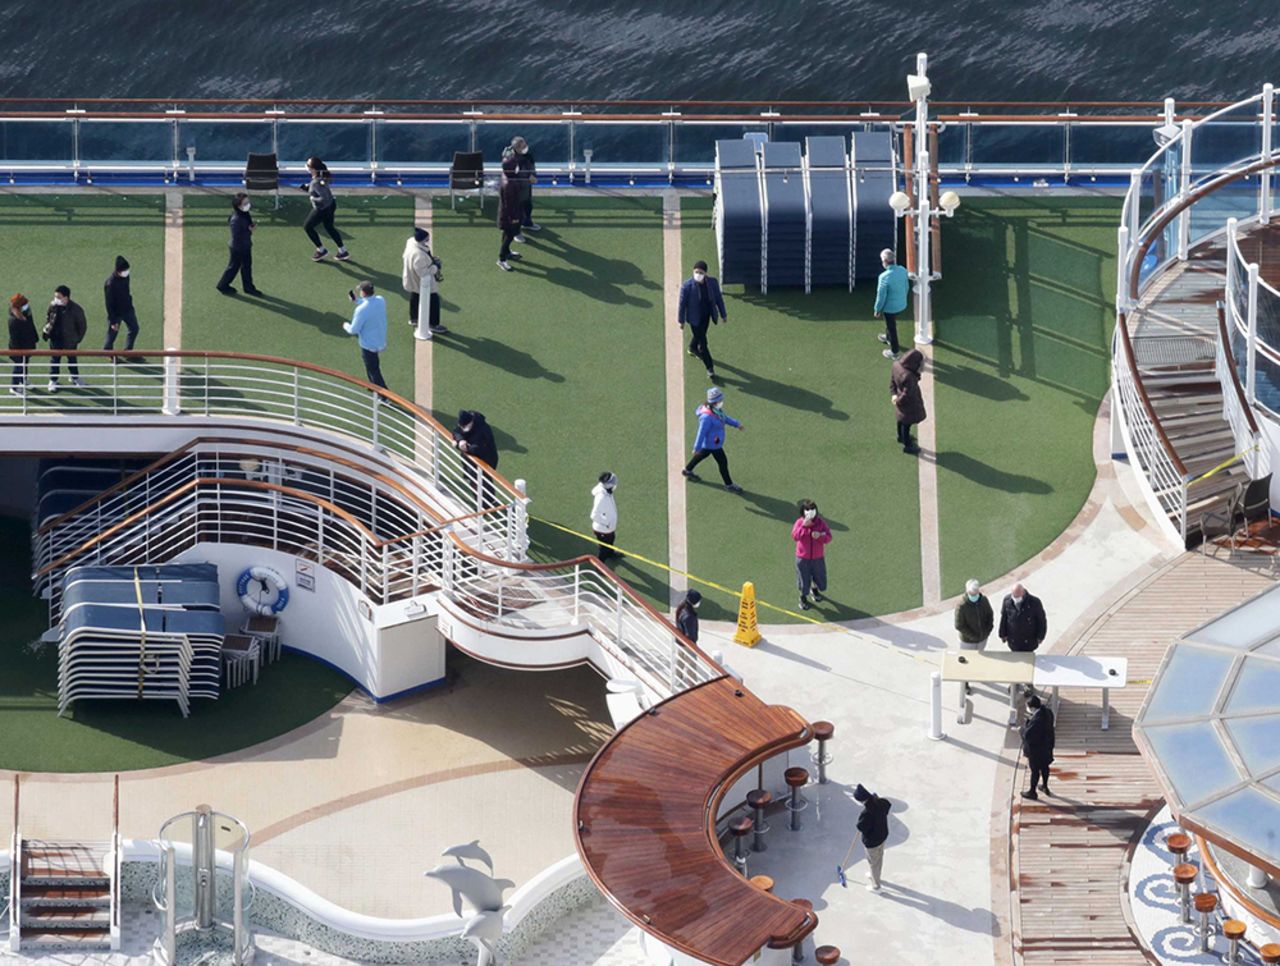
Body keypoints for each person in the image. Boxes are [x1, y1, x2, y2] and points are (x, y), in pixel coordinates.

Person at [682, 386, 744, 493]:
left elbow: (725, 418)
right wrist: (696, 447)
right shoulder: (706, 418)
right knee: (723, 463)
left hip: (712, 444)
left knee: (701, 455)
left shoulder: (717, 411)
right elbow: (701, 433)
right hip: (713, 444)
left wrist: (736, 424)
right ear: (714, 402)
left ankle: (687, 470)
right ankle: (729, 485)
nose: (721, 402)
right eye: (720, 400)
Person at [676, 260, 728, 380]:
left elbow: (718, 299)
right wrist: (681, 321)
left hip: (706, 316)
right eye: (696, 272)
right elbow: (682, 304)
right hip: (694, 319)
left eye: (701, 272)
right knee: (703, 343)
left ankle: (692, 348)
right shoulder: (687, 286)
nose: (698, 274)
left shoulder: (712, 283)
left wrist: (723, 314)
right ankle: (710, 368)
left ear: (705, 273)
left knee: (700, 335)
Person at [299, 157, 350, 262]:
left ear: (313, 169)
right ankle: (343, 251)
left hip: (322, 209)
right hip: (331, 205)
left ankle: (321, 250)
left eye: (308, 165)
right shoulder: (322, 177)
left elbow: (323, 198)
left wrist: (313, 198)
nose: (306, 167)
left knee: (307, 227)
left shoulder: (316, 182)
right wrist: (308, 188)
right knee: (329, 227)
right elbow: (322, 190)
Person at [401, 227, 447, 340]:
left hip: (411, 278)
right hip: (421, 282)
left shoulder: (411, 242)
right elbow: (424, 273)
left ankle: (414, 318)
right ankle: (433, 324)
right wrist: (435, 266)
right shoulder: (419, 256)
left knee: (415, 296)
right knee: (434, 300)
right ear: (422, 240)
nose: (428, 240)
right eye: (427, 239)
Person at [216, 193, 263, 297]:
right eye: (245, 203)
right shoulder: (236, 219)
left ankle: (248, 287)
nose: (248, 205)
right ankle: (222, 285)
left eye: (248, 202)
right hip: (239, 247)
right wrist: (250, 230)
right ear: (238, 205)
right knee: (234, 267)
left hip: (244, 245)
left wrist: (249, 228)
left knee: (245, 266)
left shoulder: (243, 214)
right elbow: (237, 236)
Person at [954, 578, 994, 699]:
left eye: (976, 593)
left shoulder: (984, 601)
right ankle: (965, 683)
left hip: (982, 639)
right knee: (966, 662)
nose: (974, 595)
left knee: (980, 657)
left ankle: (978, 674)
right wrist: (973, 636)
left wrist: (986, 632)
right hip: (967, 641)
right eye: (972, 594)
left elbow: (990, 616)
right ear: (967, 592)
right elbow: (959, 625)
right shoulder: (961, 605)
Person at [343, 282, 388, 389]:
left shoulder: (361, 310)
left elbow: (353, 330)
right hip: (380, 340)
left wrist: (346, 325)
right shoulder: (381, 300)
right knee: (371, 366)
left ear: (363, 292)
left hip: (369, 344)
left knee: (373, 369)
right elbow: (369, 305)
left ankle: (384, 395)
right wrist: (356, 301)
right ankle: (372, 385)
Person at [453, 409, 500, 508]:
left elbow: (477, 449)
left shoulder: (482, 430)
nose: (463, 428)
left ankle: (487, 505)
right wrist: (460, 440)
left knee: (483, 483)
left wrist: (458, 445)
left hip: (485, 460)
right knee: (475, 481)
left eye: (465, 426)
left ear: (471, 422)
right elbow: (457, 431)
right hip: (471, 460)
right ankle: (483, 503)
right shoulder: (467, 424)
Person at [44, 285, 87, 392]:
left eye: (58, 297)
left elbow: (82, 326)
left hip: (70, 339)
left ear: (66, 297)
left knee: (72, 359)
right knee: (55, 360)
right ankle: (53, 380)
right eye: (55, 297)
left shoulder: (76, 309)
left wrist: (77, 339)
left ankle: (75, 377)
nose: (56, 299)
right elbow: (48, 317)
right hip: (55, 338)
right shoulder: (53, 306)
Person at [791, 498, 832, 611]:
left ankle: (814, 589)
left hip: (818, 558)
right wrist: (804, 527)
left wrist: (820, 536)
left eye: (812, 510)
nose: (810, 513)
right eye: (807, 510)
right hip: (803, 558)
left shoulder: (820, 523)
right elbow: (795, 536)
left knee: (819, 578)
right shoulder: (800, 522)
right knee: (804, 579)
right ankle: (803, 598)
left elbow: (828, 537)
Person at [854, 783, 892, 892]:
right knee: (879, 857)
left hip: (872, 841)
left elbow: (861, 826)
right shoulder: (879, 803)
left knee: (873, 862)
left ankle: (876, 886)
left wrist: (860, 826)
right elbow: (887, 804)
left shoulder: (867, 813)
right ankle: (875, 875)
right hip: (882, 835)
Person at [874, 248, 910, 359]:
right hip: (901, 304)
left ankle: (895, 352)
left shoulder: (884, 277)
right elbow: (906, 286)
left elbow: (881, 296)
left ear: (885, 261)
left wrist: (877, 309)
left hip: (890, 308)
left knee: (891, 327)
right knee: (891, 324)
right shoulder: (903, 270)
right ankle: (888, 337)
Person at [1019, 693, 1056, 800]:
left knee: (1035, 770)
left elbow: (1028, 735)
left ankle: (1032, 791)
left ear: (1032, 707)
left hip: (1036, 749)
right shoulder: (1047, 712)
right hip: (1047, 746)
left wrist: (1023, 728)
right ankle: (1045, 785)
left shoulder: (1036, 721)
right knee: (1045, 767)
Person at [890, 348, 925, 454]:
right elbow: (908, 394)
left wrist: (894, 396)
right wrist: (899, 401)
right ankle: (908, 446)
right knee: (907, 424)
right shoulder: (909, 377)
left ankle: (900, 436)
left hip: (898, 397)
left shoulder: (896, 365)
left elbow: (892, 380)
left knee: (900, 420)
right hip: (908, 404)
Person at [103, 255, 140, 355]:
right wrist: (113, 320)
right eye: (125, 270)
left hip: (128, 309)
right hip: (116, 313)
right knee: (112, 334)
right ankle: (108, 352)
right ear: (118, 271)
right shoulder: (110, 284)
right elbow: (109, 303)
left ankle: (128, 351)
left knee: (134, 329)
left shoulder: (126, 277)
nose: (127, 272)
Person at [999, 583, 1047, 653]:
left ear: (1023, 592)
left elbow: (1041, 621)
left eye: (1017, 596)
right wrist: (1002, 634)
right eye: (1014, 596)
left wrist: (1041, 636)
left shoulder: (1035, 602)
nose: (1015, 598)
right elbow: (1004, 618)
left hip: (1029, 642)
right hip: (1013, 641)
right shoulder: (1007, 600)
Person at [496, 154, 523, 271]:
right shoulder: (509, 184)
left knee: (507, 234)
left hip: (505, 214)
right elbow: (509, 205)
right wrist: (514, 218)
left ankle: (507, 253)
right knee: (509, 236)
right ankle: (502, 259)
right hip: (509, 216)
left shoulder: (506, 177)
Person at [510, 136, 540, 236]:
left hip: (527, 186)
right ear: (516, 148)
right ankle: (516, 231)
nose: (525, 147)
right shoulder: (511, 158)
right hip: (516, 187)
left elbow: (532, 167)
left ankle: (527, 222)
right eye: (522, 146)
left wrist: (533, 175)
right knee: (517, 210)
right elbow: (511, 173)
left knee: (528, 206)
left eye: (525, 145)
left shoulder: (529, 155)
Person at [7, 294, 37, 396]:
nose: (27, 305)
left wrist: (34, 339)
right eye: (24, 304)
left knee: (25, 364)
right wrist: (19, 352)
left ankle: (23, 380)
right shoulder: (13, 320)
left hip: (27, 345)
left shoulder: (26, 313)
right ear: (18, 306)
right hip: (18, 349)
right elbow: (15, 338)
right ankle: (14, 387)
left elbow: (31, 325)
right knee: (19, 366)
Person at [590, 471, 621, 561]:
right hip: (603, 529)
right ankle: (600, 567)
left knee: (611, 540)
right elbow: (594, 515)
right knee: (604, 549)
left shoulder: (606, 491)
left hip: (608, 528)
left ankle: (610, 553)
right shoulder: (601, 497)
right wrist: (606, 523)